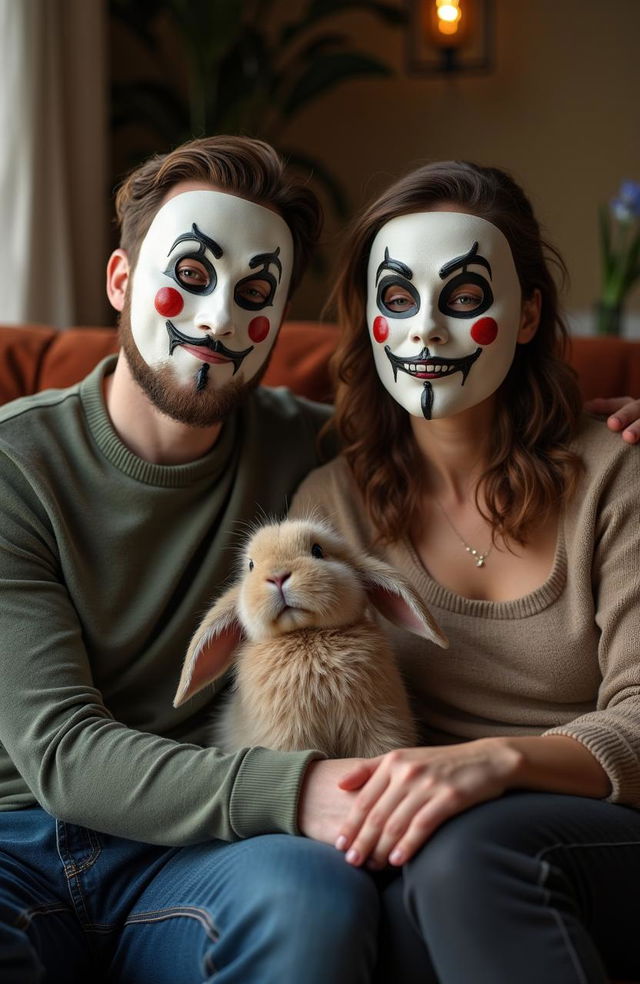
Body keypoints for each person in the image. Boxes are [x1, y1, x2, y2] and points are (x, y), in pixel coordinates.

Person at [0, 135, 381, 983]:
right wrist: (291, 792)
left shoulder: (309, 447)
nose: (217, 320)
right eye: (193, 276)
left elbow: (467, 447)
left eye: (255, 294)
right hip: (16, 837)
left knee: (314, 904)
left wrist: (595, 430)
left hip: (200, 856)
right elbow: (60, 751)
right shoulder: (13, 466)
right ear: (121, 280)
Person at [290, 160, 640, 983]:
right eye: (399, 299)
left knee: (458, 858)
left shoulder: (615, 476)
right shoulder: (327, 509)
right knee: (404, 891)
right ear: (369, 317)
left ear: (526, 317)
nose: (425, 333)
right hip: (436, 859)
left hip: (598, 834)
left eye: (464, 297)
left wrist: (498, 760)